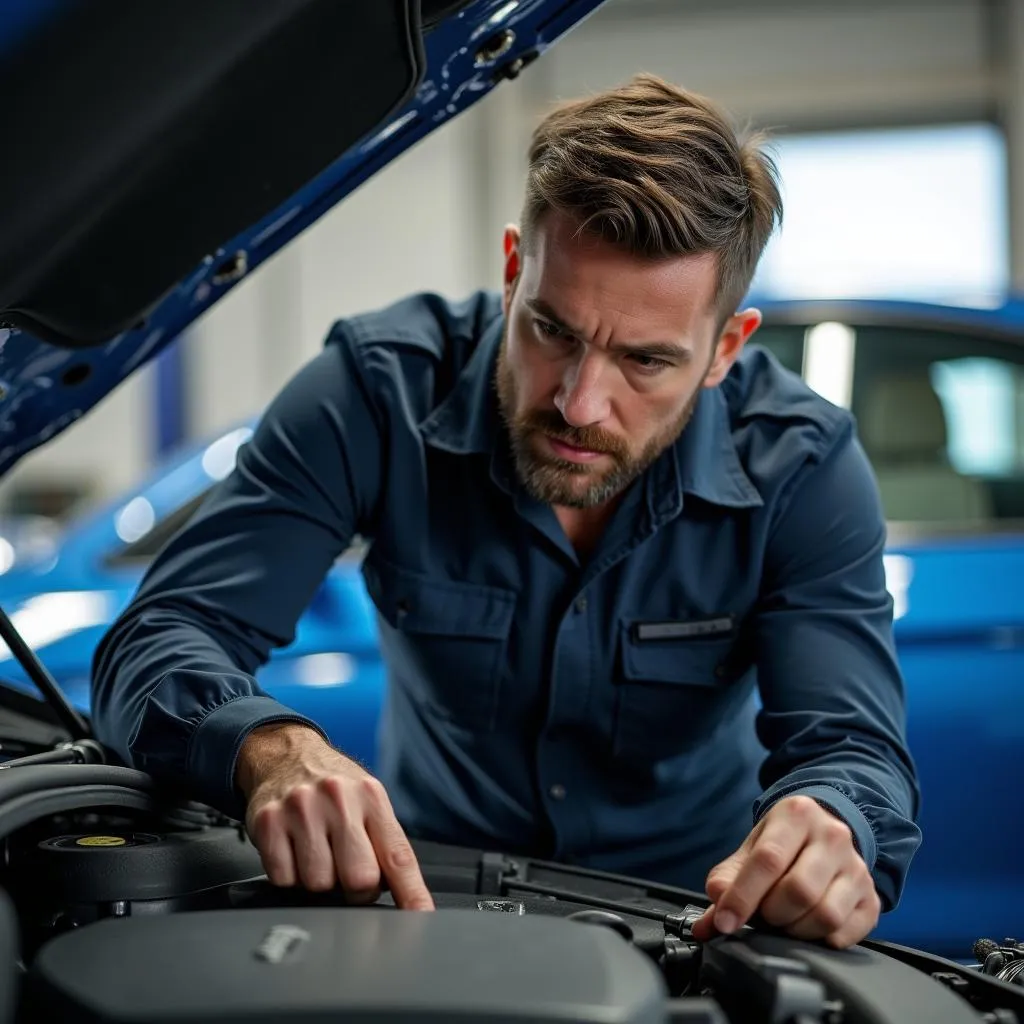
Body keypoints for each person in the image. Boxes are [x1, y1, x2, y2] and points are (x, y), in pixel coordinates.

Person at [91, 73, 921, 949]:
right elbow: (162, 634)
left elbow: (853, 749)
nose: (579, 403)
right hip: (422, 910)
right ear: (515, 267)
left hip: (681, 928)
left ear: (724, 349)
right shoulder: (377, 392)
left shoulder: (802, 465)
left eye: (644, 361)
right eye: (554, 331)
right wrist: (268, 749)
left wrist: (835, 824)